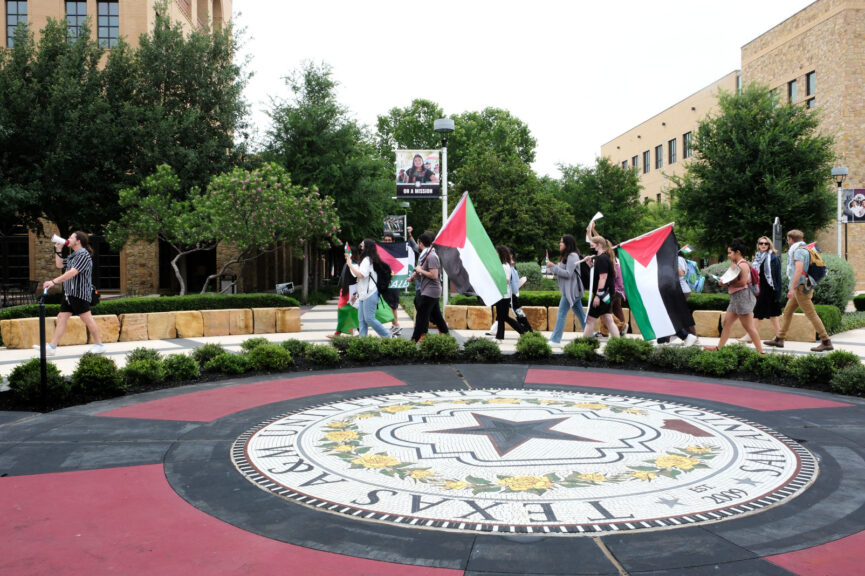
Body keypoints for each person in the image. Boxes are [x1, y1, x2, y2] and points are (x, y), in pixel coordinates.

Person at [35, 231, 104, 355]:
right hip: (69, 293)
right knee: (61, 317)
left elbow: (72, 272)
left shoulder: (83, 255)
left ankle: (99, 344)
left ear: (78, 241)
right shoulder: (74, 255)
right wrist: (58, 249)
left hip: (79, 293)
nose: (68, 239)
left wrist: (53, 282)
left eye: (71, 237)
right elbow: (59, 264)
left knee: (87, 319)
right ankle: (52, 346)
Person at [763, 230, 833, 352]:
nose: (787, 241)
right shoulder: (806, 248)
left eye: (787, 239)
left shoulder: (799, 251)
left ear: (790, 239)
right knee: (788, 311)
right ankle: (780, 338)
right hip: (802, 286)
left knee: (811, 314)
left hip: (801, 288)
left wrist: (791, 288)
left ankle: (826, 341)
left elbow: (798, 270)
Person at [706, 238, 763, 353]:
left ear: (738, 252)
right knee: (726, 323)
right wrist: (724, 283)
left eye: (730, 252)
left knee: (749, 328)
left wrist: (727, 283)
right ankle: (719, 348)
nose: (728, 255)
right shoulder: (736, 264)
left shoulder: (743, 265)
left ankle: (761, 352)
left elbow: (742, 282)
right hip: (736, 298)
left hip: (743, 298)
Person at [344, 238, 392, 339]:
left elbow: (361, 275)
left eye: (362, 243)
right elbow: (361, 280)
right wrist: (357, 294)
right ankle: (363, 341)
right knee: (361, 319)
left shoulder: (367, 259)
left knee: (369, 318)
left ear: (366, 246)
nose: (360, 245)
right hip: (364, 294)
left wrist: (349, 264)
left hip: (370, 293)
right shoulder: (367, 259)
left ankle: (388, 336)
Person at [740, 236, 782, 343]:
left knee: (758, 312)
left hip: (769, 289)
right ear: (758, 245)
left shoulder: (773, 258)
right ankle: (780, 336)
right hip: (761, 288)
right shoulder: (758, 257)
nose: (763, 245)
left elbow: (777, 276)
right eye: (761, 243)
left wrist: (778, 292)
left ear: (769, 245)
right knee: (773, 314)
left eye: (766, 243)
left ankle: (750, 335)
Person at [546, 234, 586, 345]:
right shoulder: (566, 256)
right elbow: (562, 272)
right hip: (572, 290)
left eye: (562, 242)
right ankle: (590, 336)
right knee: (580, 314)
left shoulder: (572, 256)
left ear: (567, 244)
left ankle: (555, 340)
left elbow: (568, 274)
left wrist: (553, 266)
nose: (560, 244)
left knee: (561, 313)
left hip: (571, 291)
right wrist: (552, 267)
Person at [409, 232, 449, 342]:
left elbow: (434, 275)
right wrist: (414, 275)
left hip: (431, 291)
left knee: (421, 316)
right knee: (437, 317)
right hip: (428, 290)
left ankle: (413, 341)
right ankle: (446, 337)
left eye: (417, 242)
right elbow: (423, 271)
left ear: (420, 243)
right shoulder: (425, 255)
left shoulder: (431, 256)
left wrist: (420, 270)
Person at [656, 247, 699, 346]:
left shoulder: (677, 259)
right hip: (678, 290)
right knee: (676, 315)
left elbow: (681, 273)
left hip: (679, 291)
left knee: (671, 315)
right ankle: (668, 338)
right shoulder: (677, 258)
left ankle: (688, 336)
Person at [582, 236, 621, 339]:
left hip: (602, 295)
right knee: (608, 319)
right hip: (607, 294)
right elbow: (598, 274)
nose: (591, 248)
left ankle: (583, 344)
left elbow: (603, 278)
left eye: (592, 246)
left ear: (599, 245)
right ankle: (618, 343)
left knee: (590, 320)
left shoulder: (602, 259)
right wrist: (589, 264)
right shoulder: (603, 258)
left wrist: (597, 296)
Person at [492, 245, 528, 340]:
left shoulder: (505, 266)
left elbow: (507, 280)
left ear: (500, 253)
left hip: (504, 295)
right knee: (501, 317)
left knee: (504, 317)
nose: (495, 254)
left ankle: (523, 331)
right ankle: (499, 336)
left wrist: (496, 280)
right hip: (501, 294)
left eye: (496, 252)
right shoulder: (502, 265)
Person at [329, 244, 357, 338]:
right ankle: (339, 332)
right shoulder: (348, 263)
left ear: (350, 254)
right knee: (349, 312)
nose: (345, 254)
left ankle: (338, 333)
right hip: (346, 291)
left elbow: (357, 278)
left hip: (350, 292)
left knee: (345, 311)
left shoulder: (354, 265)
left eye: (347, 252)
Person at [381, 232, 403, 335]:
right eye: (385, 240)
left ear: (393, 241)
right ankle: (395, 326)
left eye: (389, 240)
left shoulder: (396, 252)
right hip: (386, 282)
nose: (387, 242)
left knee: (392, 305)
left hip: (395, 282)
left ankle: (396, 325)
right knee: (390, 304)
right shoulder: (381, 251)